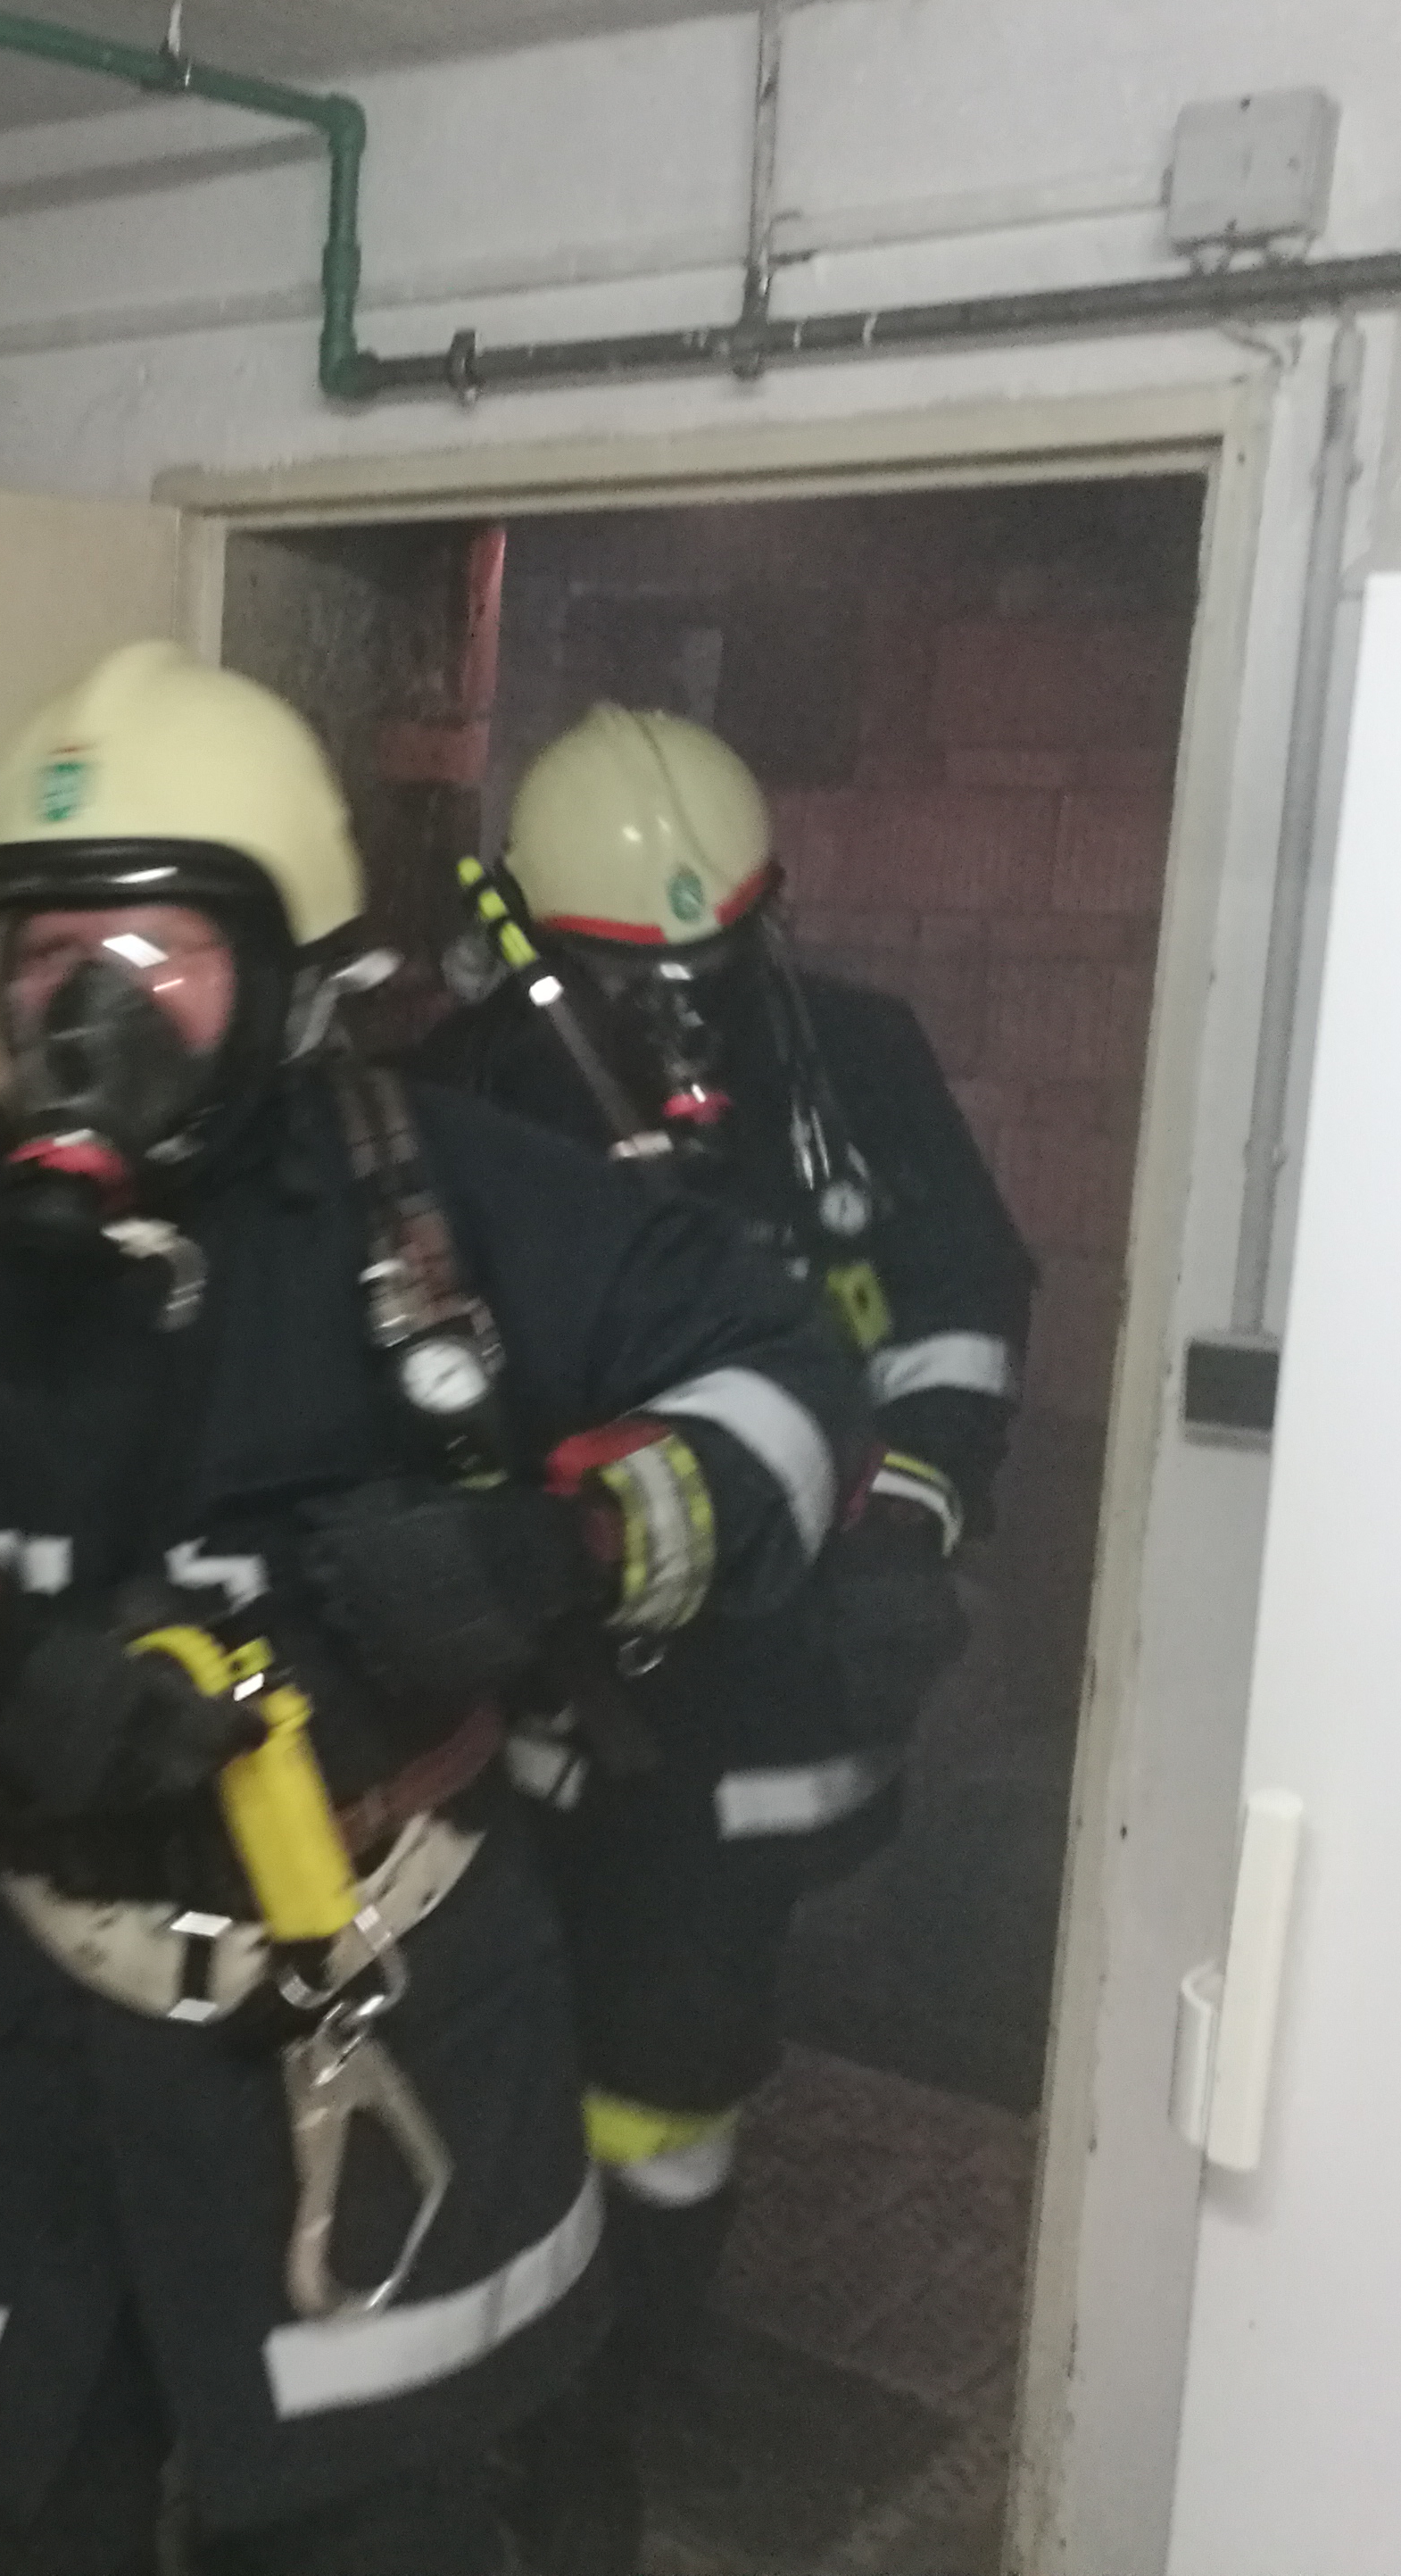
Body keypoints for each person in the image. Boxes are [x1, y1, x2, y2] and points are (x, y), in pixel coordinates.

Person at [0, 644, 866, 2575]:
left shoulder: (453, 1201)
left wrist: (558, 1548)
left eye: (159, 952)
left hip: (380, 2037)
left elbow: (791, 1384)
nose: (91, 1009)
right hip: (17, 2064)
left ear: (291, 977)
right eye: (47, 955)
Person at [416, 703, 1036, 2575]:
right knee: (482, 2057)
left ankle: (630, 2377)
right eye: (631, 986)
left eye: (715, 970)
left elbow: (958, 1299)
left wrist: (908, 1508)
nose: (684, 1026)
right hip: (515, 1704)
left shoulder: (856, 1061)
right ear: (526, 950)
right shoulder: (449, 1100)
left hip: (765, 1691)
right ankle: (504, 2406)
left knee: (675, 2057)